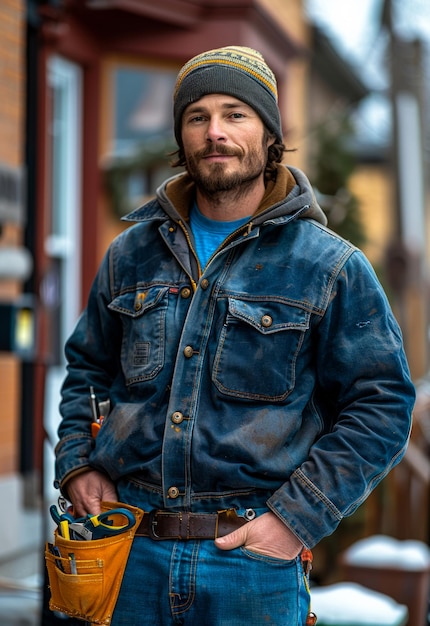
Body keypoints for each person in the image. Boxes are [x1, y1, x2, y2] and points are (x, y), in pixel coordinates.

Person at [54, 46, 415, 625]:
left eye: (235, 114)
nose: (215, 132)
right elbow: (88, 371)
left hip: (251, 563)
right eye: (197, 117)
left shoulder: (329, 266)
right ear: (182, 135)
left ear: (270, 135)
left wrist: (296, 519)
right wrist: (79, 464)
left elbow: (382, 405)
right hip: (129, 553)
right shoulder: (131, 256)